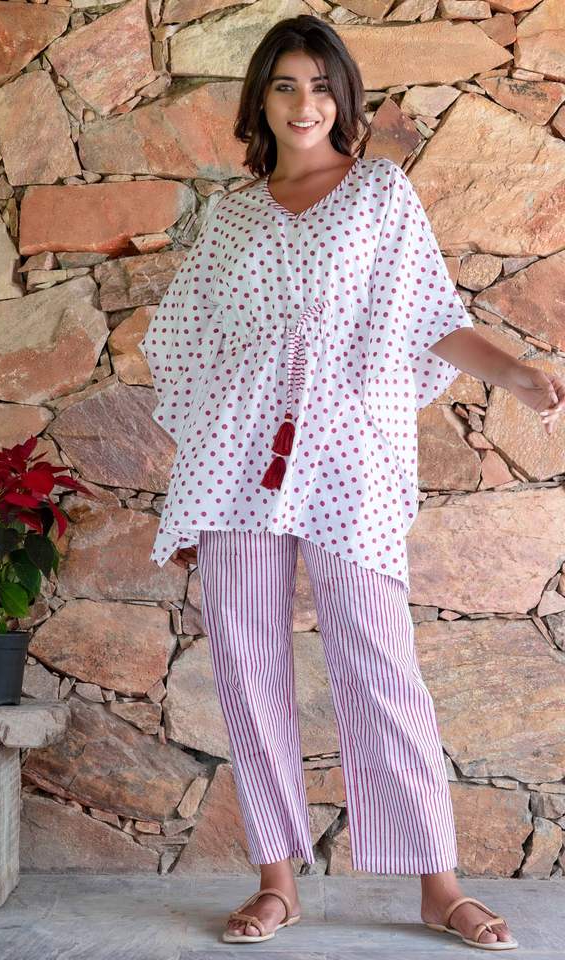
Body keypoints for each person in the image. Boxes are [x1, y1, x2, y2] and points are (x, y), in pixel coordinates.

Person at [139, 14, 565, 952]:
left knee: (380, 666)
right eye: (286, 86)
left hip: (348, 464)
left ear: (344, 98)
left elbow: (430, 318)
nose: (305, 104)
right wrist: (206, 455)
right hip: (235, 469)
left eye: (321, 87)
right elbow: (184, 342)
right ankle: (276, 884)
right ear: (260, 99)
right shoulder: (231, 217)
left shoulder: (378, 192)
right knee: (247, 668)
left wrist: (515, 371)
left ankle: (437, 885)